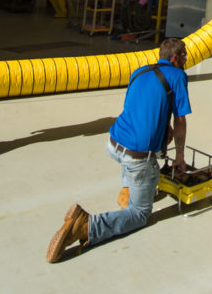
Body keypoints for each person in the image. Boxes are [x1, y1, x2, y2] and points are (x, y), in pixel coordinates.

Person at [46, 38, 191, 263]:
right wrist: (180, 156)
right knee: (140, 214)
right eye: (184, 57)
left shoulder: (139, 72)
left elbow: (137, 108)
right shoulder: (178, 76)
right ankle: (86, 226)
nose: (185, 62)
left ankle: (127, 187)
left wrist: (164, 125)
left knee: (142, 170)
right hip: (137, 157)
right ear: (175, 58)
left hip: (113, 143)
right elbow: (180, 121)